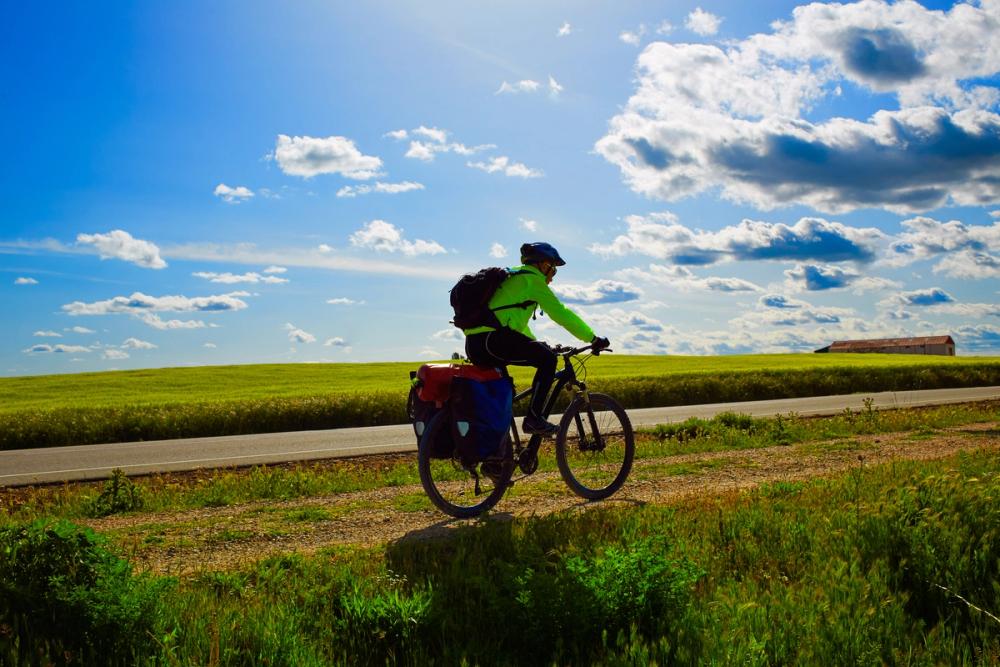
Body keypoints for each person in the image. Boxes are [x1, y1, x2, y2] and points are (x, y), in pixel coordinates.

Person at [464, 242, 610, 436]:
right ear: (543, 265)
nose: (553, 276)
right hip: (494, 341)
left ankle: (500, 457)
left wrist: (536, 343)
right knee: (548, 359)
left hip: (476, 344)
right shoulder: (533, 281)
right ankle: (534, 419)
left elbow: (514, 324)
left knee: (504, 392)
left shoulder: (511, 276)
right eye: (553, 269)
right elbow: (561, 314)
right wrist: (592, 338)